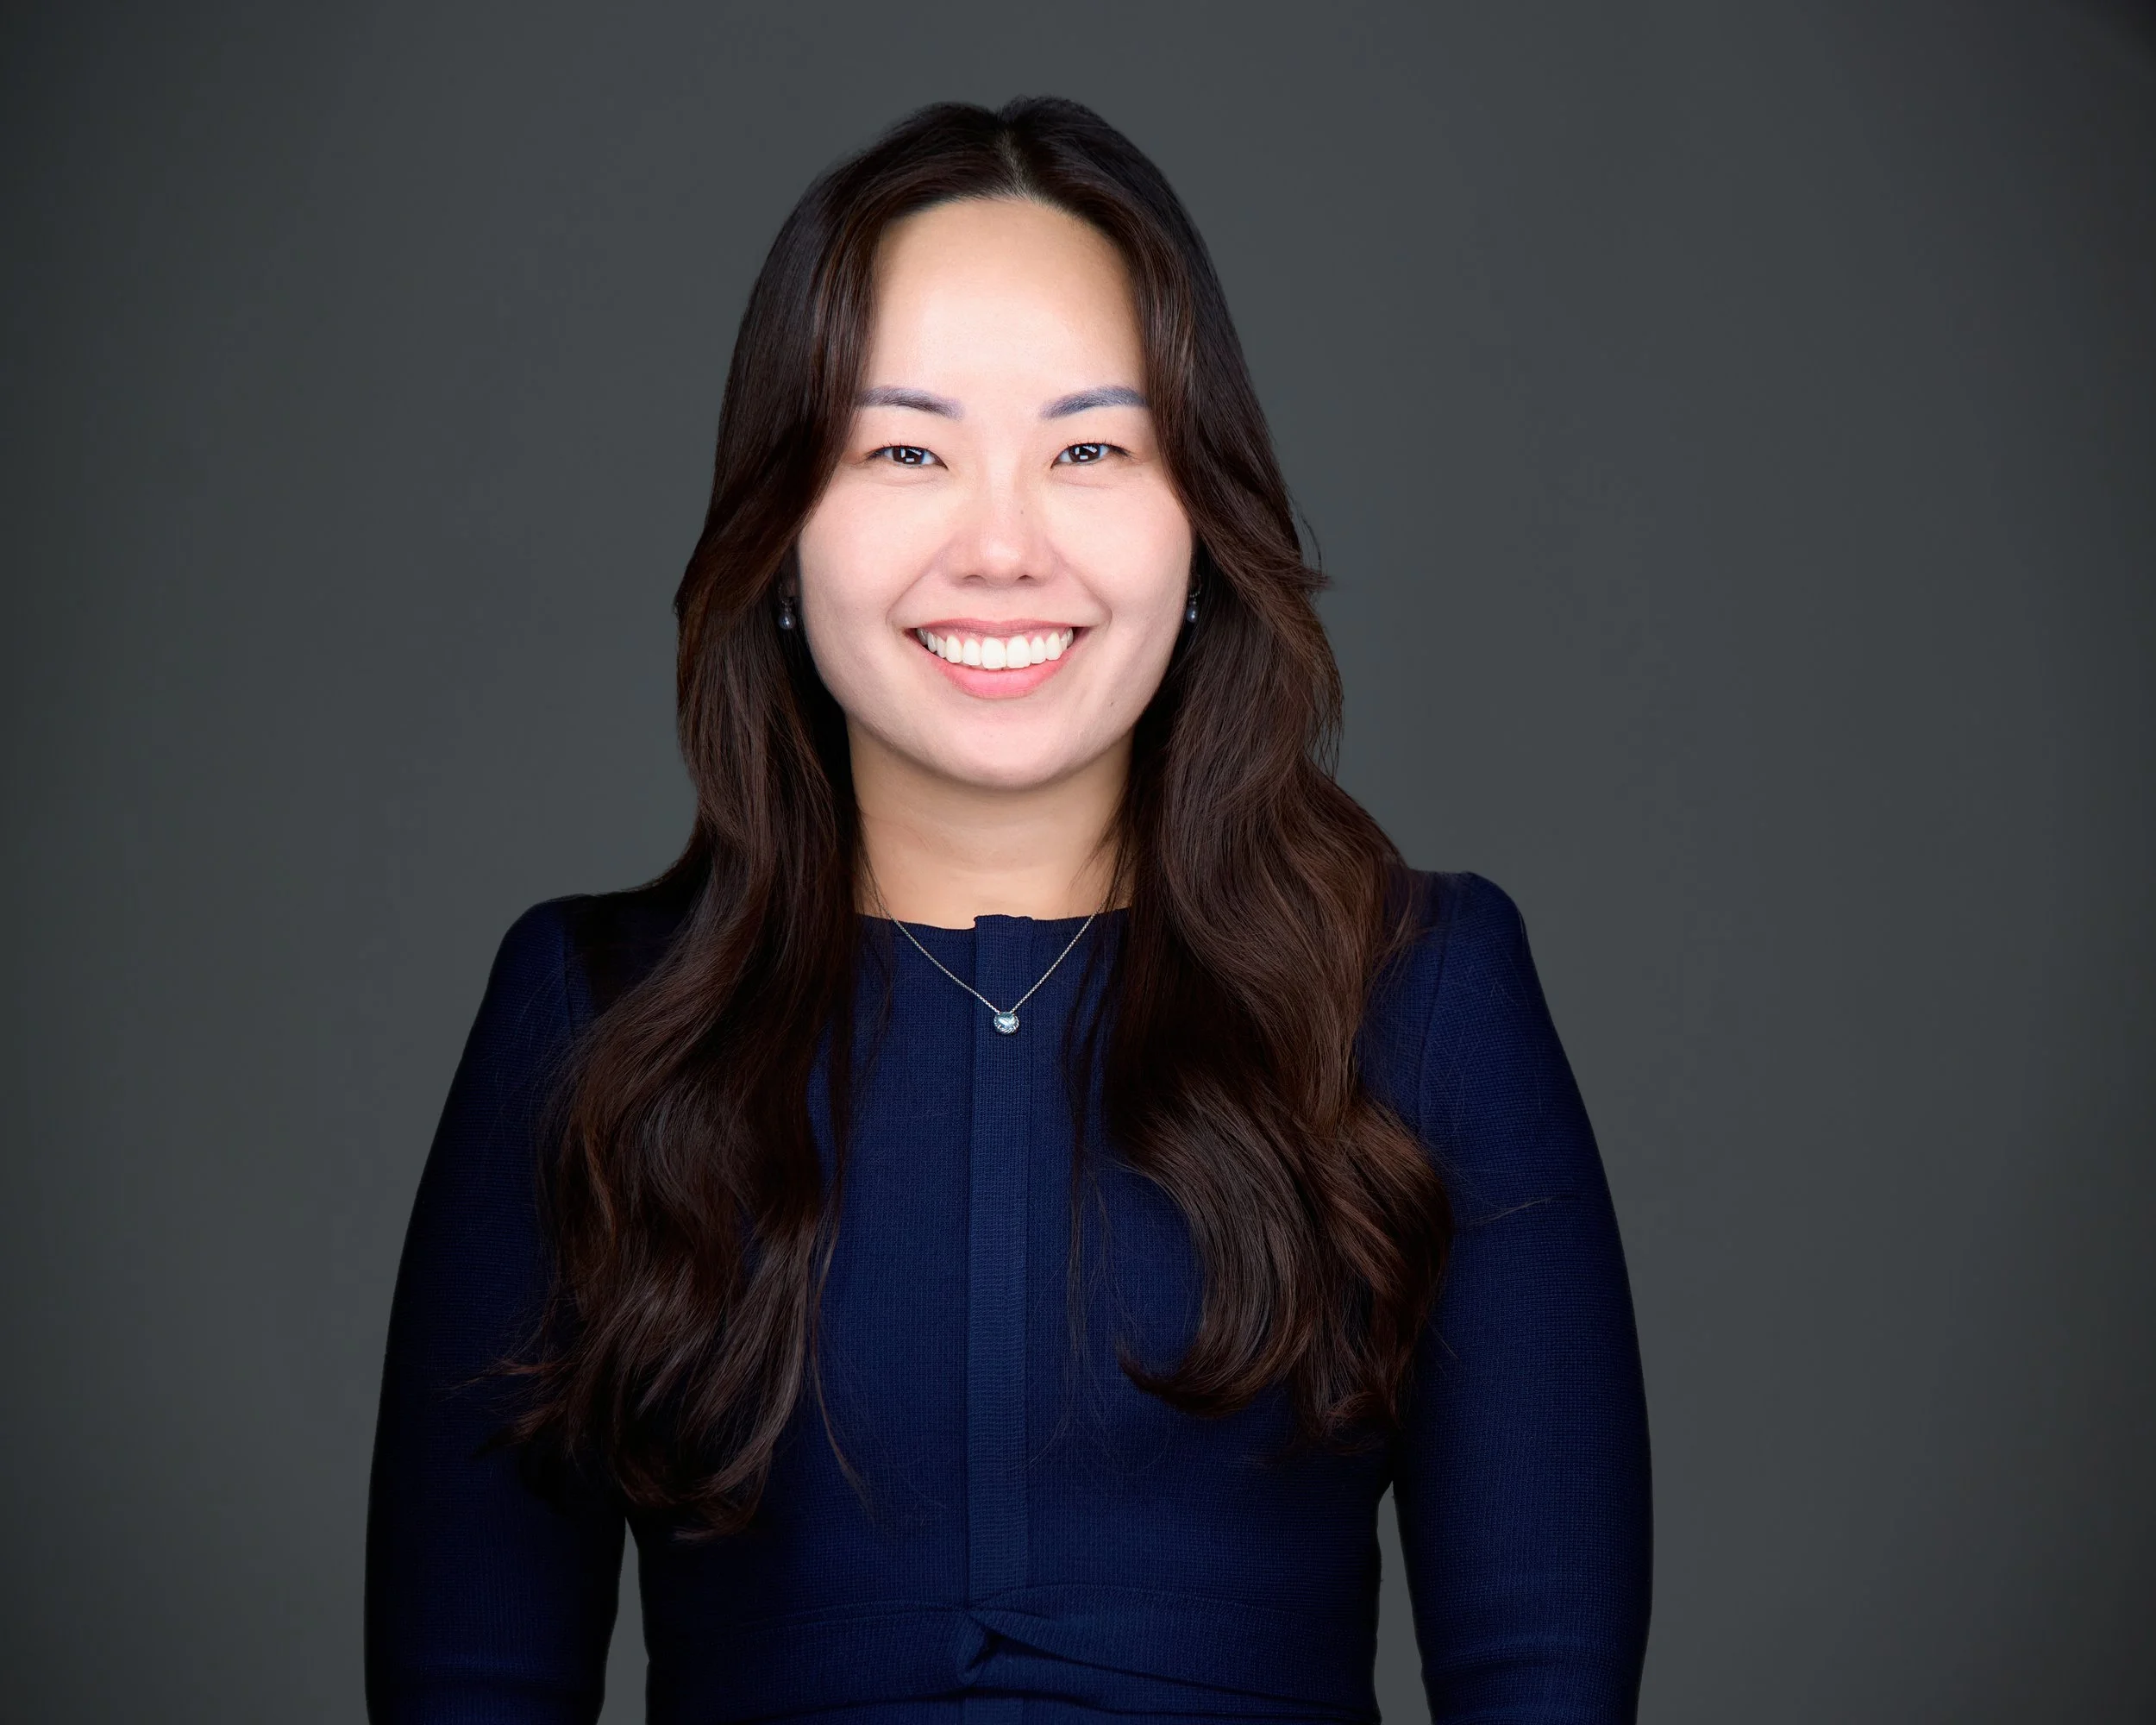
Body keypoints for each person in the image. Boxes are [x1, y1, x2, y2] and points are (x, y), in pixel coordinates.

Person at [364, 96, 1651, 1725]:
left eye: (1090, 450)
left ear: (1202, 528)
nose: (999, 546)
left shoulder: (1423, 993)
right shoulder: (587, 1014)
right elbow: (466, 1685)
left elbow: (1544, 1675)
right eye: (904, 449)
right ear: (777, 531)